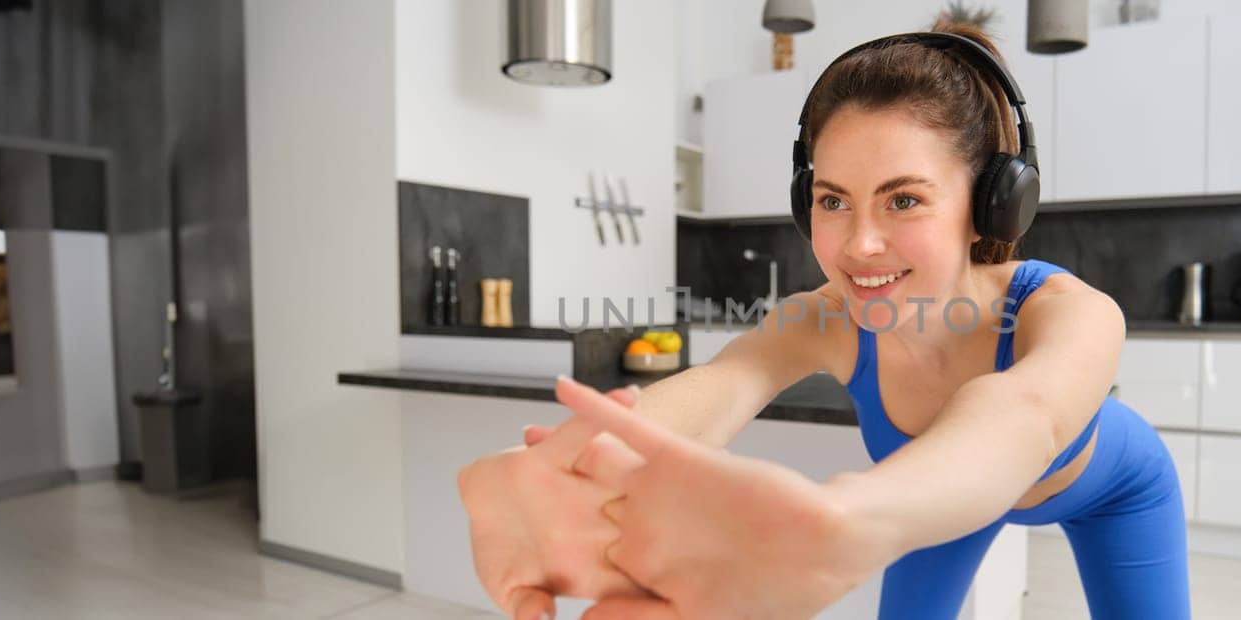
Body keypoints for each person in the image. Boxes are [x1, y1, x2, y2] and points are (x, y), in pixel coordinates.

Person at [456, 17, 1191, 620]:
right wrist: (570, 467)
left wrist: (842, 519)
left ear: (991, 205)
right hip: (929, 494)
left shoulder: (1071, 313)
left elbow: (1021, 417)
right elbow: (723, 383)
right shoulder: (827, 319)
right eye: (833, 200)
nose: (859, 243)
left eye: (904, 199)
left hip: (1117, 496)